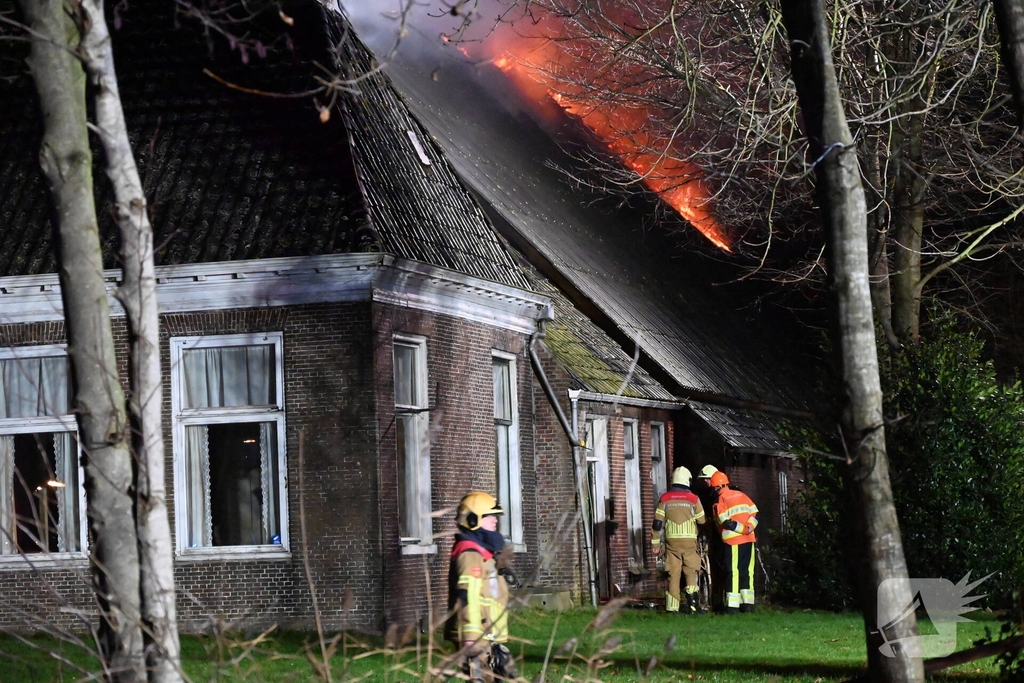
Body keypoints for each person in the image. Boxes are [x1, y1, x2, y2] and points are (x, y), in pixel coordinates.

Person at [446, 491, 517, 682]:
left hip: (488, 634)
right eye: (489, 516)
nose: (495, 520)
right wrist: (470, 637)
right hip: (477, 636)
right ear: (472, 519)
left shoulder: (484, 552)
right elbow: (466, 595)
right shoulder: (470, 553)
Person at [651, 466, 706, 614]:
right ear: (688, 481)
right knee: (690, 572)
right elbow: (702, 520)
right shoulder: (694, 499)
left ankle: (672, 608)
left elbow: (657, 523)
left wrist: (655, 544)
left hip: (671, 542)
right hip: (689, 542)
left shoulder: (664, 498)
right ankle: (693, 606)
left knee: (673, 574)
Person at [709, 471, 759, 614]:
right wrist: (749, 527)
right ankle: (748, 605)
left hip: (733, 541)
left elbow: (726, 523)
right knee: (748, 571)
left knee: (733, 572)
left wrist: (742, 529)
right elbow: (755, 513)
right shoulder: (742, 495)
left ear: (717, 487)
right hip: (749, 540)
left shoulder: (721, 501)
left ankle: (732, 607)